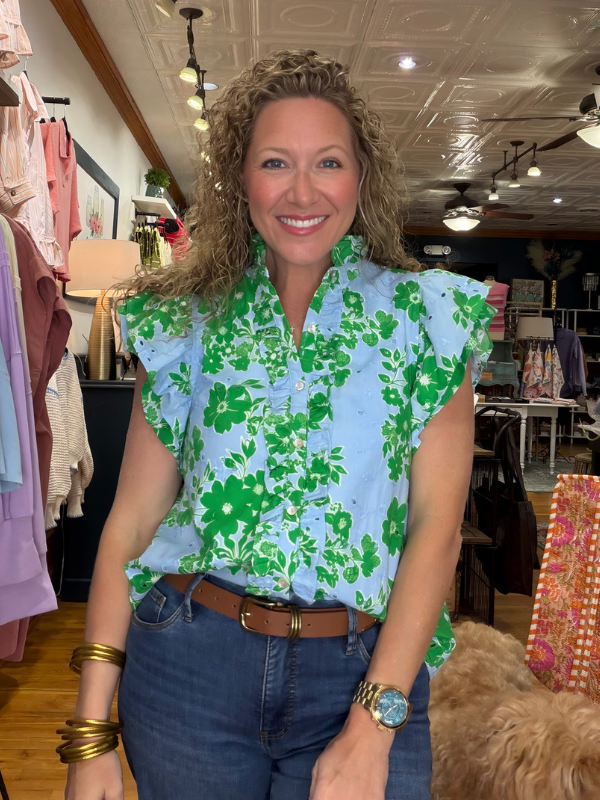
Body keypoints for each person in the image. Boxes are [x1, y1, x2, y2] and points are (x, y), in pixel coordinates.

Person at [61, 50, 494, 800]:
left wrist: (373, 723)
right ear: (241, 180)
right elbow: (130, 527)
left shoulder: (431, 323)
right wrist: (90, 734)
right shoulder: (187, 324)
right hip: (189, 667)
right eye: (274, 162)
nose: (302, 191)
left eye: (328, 162)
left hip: (364, 668)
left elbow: (435, 528)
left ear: (362, 176)